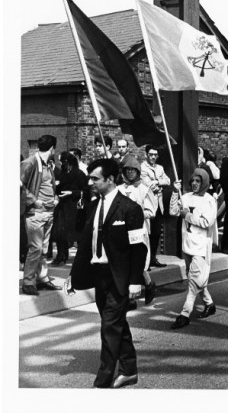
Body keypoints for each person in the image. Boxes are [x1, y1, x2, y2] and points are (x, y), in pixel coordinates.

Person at [66, 158, 147, 388]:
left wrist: (135, 281)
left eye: (95, 178)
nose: (90, 182)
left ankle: (103, 379)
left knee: (109, 326)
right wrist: (74, 275)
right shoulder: (93, 206)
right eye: (90, 178)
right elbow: (85, 245)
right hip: (99, 275)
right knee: (114, 323)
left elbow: (138, 249)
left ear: (110, 180)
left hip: (119, 278)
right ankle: (129, 369)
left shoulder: (130, 209)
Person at [168, 168, 218, 329]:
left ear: (204, 182)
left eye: (198, 181)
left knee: (193, 282)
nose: (195, 184)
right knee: (194, 278)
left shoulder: (210, 200)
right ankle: (209, 304)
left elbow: (207, 222)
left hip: (201, 246)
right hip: (187, 245)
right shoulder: (186, 197)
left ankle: (185, 313)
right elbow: (173, 211)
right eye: (193, 181)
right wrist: (176, 192)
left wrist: (188, 216)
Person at [20, 135, 62, 295]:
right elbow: (18, 183)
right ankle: (28, 282)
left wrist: (55, 197)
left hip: (49, 212)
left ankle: (42, 278)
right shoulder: (30, 162)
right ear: (52, 149)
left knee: (43, 248)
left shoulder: (47, 165)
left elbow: (49, 185)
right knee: (36, 248)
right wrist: (33, 200)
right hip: (36, 213)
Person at [118, 155, 159, 306]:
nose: (130, 173)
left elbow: (152, 211)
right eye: (127, 170)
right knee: (125, 261)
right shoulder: (119, 189)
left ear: (138, 171)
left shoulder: (144, 189)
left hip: (138, 230)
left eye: (133, 170)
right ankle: (145, 287)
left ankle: (137, 293)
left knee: (136, 260)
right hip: (122, 230)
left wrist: (137, 212)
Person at [51, 152, 88, 266]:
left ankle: (82, 258)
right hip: (63, 206)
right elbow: (59, 188)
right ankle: (61, 255)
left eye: (63, 161)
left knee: (77, 233)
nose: (62, 164)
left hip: (75, 208)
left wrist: (71, 193)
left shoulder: (79, 174)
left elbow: (85, 191)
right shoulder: (63, 173)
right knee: (60, 233)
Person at [140, 145, 171, 268]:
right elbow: (148, 185)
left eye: (155, 155)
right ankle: (145, 261)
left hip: (159, 205)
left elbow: (168, 181)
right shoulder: (142, 168)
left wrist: (157, 182)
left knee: (157, 233)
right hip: (148, 205)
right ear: (146, 154)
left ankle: (153, 258)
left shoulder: (160, 168)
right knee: (147, 233)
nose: (153, 157)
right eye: (151, 154)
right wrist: (158, 184)